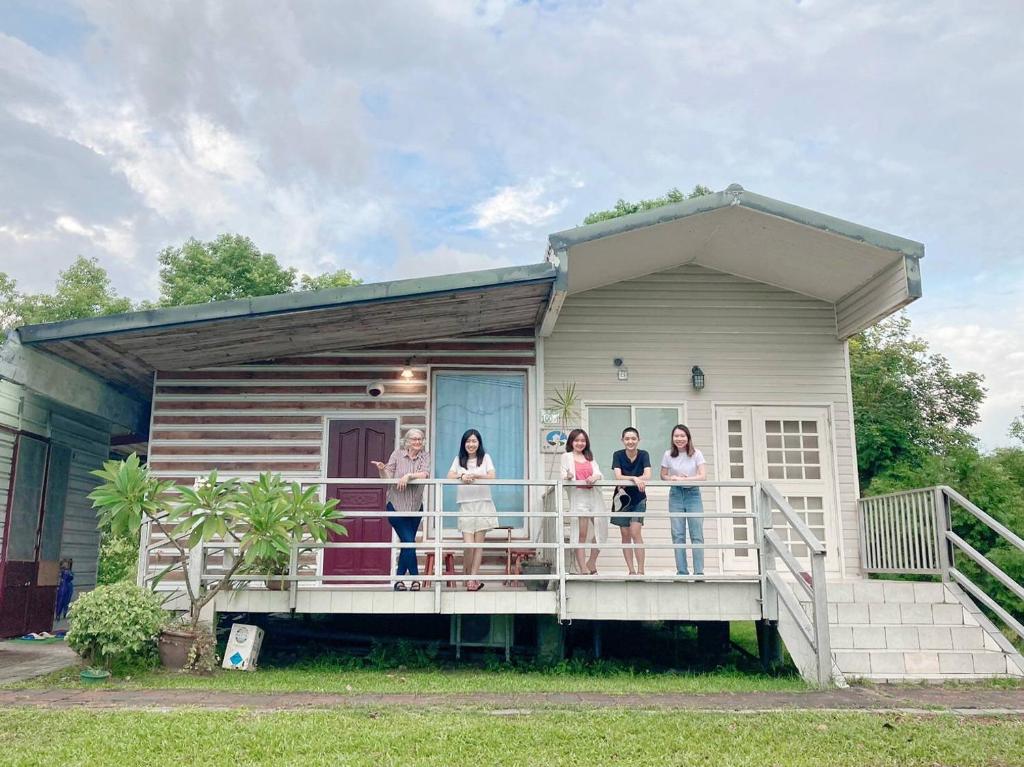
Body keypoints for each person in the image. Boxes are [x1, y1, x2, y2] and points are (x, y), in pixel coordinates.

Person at [371, 428, 430, 591]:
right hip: (396, 505)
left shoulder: (425, 456)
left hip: (415, 506)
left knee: (407, 543)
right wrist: (382, 469)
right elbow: (387, 479)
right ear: (407, 441)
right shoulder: (397, 454)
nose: (418, 442)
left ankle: (399, 580)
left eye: (420, 439)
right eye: (414, 439)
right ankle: (416, 579)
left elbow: (425, 474)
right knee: (409, 542)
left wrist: (408, 476)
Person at [447, 429, 498, 591]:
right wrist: (461, 476)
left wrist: (475, 476)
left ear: (479, 443)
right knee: (469, 544)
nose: (471, 444)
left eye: (474, 441)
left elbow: (492, 476)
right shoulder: (458, 459)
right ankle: (466, 573)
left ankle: (472, 579)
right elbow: (449, 476)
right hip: (466, 504)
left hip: (483, 503)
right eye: (468, 441)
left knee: (478, 544)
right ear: (464, 443)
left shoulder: (485, 458)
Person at [660, 424, 707, 577]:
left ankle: (699, 572)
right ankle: (682, 572)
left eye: (682, 436)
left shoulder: (696, 453)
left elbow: (703, 475)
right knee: (678, 534)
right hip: (676, 494)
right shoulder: (668, 454)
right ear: (672, 438)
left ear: (688, 438)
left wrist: (688, 479)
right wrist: (671, 478)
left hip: (693, 494)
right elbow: (663, 475)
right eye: (676, 436)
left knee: (696, 534)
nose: (679, 439)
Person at [561, 428, 604, 575]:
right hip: (579, 498)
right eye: (577, 440)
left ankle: (591, 562)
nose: (580, 443)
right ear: (571, 442)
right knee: (581, 534)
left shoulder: (589, 457)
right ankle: (583, 569)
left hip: (593, 497)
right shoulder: (566, 456)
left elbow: (599, 473)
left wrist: (595, 477)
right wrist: (568, 476)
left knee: (601, 529)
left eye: (583, 440)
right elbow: (563, 475)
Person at [611, 427, 652, 575]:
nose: (630, 441)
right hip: (622, 498)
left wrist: (637, 478)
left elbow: (648, 475)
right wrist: (634, 478)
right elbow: (618, 476)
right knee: (625, 534)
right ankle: (631, 571)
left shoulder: (644, 454)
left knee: (636, 532)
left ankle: (641, 571)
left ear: (638, 440)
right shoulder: (618, 455)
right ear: (622, 440)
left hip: (638, 498)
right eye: (627, 439)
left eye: (633, 438)